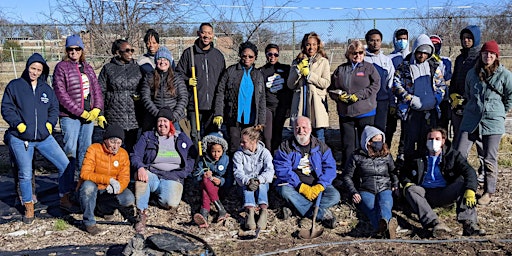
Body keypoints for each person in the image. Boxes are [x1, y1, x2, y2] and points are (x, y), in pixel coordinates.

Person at [1, 53, 76, 224]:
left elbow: (54, 108)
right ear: (27, 67)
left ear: (43, 71)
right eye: (32, 68)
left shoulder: (46, 89)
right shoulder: (15, 86)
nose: (34, 72)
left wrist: (49, 124)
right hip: (21, 138)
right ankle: (29, 205)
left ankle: (64, 197)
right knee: (25, 173)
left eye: (38, 70)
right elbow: (6, 108)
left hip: (44, 137)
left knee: (65, 164)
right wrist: (18, 124)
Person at [400, 128, 485, 237]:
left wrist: (471, 189)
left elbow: (469, 171)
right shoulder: (417, 156)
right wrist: (406, 182)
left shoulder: (453, 155)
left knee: (463, 185)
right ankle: (434, 223)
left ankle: (469, 224)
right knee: (411, 189)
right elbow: (403, 172)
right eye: (430, 139)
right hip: (425, 194)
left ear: (443, 140)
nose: (433, 142)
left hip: (445, 191)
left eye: (437, 139)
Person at [457, 41, 512, 206]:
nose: (488, 56)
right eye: (485, 53)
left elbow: (509, 96)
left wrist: (500, 113)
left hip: (493, 120)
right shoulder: (472, 74)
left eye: (491, 54)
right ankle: (460, 186)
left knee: (489, 158)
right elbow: (468, 93)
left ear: (496, 56)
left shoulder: (504, 75)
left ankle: (489, 191)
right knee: (459, 153)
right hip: (471, 117)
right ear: (481, 55)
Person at [131, 108, 197, 233]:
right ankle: (141, 213)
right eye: (159, 121)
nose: (162, 124)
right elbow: (135, 154)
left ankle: (154, 194)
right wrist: (140, 167)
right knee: (140, 179)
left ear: (171, 123)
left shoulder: (181, 137)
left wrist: (184, 172)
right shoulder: (148, 136)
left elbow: (192, 156)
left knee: (170, 203)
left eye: (165, 121)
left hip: (173, 175)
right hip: (152, 173)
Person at [274, 116, 340, 229]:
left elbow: (330, 168)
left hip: (316, 183)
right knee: (285, 191)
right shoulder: (285, 147)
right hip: (294, 185)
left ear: (310, 129)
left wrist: (320, 185)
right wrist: (300, 186)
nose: (301, 131)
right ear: (293, 129)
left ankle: (296, 208)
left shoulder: (321, 146)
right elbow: (282, 170)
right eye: (297, 128)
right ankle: (322, 215)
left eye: (304, 127)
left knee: (335, 196)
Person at [53, 34, 104, 177]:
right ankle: (68, 185)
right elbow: (61, 94)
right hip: (70, 117)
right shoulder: (61, 68)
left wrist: (97, 109)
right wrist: (79, 112)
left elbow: (97, 90)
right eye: (70, 49)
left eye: (77, 49)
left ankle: (83, 181)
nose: (74, 52)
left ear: (82, 50)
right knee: (70, 149)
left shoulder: (88, 68)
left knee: (85, 150)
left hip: (88, 116)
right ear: (66, 50)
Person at [392, 34, 446, 161]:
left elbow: (441, 85)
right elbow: (396, 84)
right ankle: (408, 168)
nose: (422, 56)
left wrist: (436, 99)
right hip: (411, 111)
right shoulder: (404, 67)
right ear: (415, 50)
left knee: (427, 141)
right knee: (408, 141)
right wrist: (409, 98)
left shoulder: (434, 66)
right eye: (419, 52)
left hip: (430, 111)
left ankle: (425, 167)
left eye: (426, 53)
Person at [329, 40, 380, 168]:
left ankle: (367, 170)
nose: (357, 55)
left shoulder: (369, 68)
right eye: (354, 53)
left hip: (366, 112)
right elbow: (331, 89)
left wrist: (358, 96)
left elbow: (376, 85)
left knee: (367, 143)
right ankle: (348, 171)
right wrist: (339, 96)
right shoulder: (340, 69)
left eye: (360, 52)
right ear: (348, 54)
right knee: (348, 145)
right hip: (346, 113)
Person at [79, 124, 135, 235]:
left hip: (109, 189)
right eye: (112, 142)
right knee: (88, 187)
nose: (115, 146)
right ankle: (89, 222)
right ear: (105, 140)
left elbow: (125, 177)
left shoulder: (123, 154)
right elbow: (84, 173)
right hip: (95, 186)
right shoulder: (94, 149)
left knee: (128, 198)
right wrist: (108, 180)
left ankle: (103, 208)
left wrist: (118, 187)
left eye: (118, 143)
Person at [342, 126, 398, 238]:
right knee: (370, 208)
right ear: (368, 142)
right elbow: (347, 176)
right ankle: (384, 228)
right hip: (365, 189)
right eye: (376, 140)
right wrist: (354, 192)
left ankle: (383, 226)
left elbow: (393, 171)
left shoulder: (386, 155)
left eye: (380, 140)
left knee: (385, 204)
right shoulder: (356, 156)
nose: (379, 143)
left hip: (384, 187)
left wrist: (395, 184)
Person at [176, 23, 226, 144]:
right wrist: (188, 80)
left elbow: (223, 80)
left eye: (209, 33)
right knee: (194, 135)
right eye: (204, 32)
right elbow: (178, 74)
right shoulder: (189, 54)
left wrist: (219, 108)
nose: (206, 36)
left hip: (213, 105)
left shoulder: (217, 56)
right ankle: (195, 160)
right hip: (195, 104)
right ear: (198, 34)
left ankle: (208, 161)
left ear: (213, 35)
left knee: (212, 137)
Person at [213, 41, 266, 154]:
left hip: (251, 118)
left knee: (249, 145)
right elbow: (220, 92)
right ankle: (233, 170)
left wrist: (261, 121)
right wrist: (219, 113)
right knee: (234, 145)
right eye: (244, 56)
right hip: (233, 116)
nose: (247, 58)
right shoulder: (231, 71)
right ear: (240, 56)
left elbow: (261, 99)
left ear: (255, 58)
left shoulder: (258, 75)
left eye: (250, 56)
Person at [98, 39, 142, 152]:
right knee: (115, 147)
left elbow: (143, 88)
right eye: (127, 50)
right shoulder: (108, 69)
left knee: (133, 147)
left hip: (134, 116)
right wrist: (100, 113)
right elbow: (100, 92)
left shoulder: (137, 68)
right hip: (114, 115)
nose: (130, 53)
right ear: (118, 52)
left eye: (132, 50)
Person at [287, 32, 331, 142]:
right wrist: (298, 71)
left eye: (314, 44)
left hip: (316, 104)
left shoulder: (323, 62)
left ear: (318, 45)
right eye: (308, 44)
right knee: (299, 136)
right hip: (301, 104)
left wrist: (310, 75)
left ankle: (320, 159)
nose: (311, 47)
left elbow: (326, 83)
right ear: (304, 46)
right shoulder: (296, 61)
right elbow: (290, 85)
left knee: (319, 136)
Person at [233, 126, 274, 230]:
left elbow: (270, 171)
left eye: (244, 142)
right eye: (241, 141)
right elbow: (237, 172)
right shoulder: (238, 154)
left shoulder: (265, 153)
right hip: (244, 186)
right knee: (248, 187)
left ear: (253, 141)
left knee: (263, 185)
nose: (241, 144)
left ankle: (263, 210)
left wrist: (259, 180)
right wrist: (247, 180)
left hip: (261, 184)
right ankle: (249, 211)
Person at [141, 46, 188, 132]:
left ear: (169, 62)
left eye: (165, 59)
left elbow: (183, 98)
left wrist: (173, 116)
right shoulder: (149, 77)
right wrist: (159, 115)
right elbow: (145, 98)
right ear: (156, 61)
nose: (162, 62)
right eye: (159, 59)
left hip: (175, 119)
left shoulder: (177, 78)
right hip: (154, 117)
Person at [451, 25, 481, 146]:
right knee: (458, 137)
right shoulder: (459, 59)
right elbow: (454, 79)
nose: (466, 40)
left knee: (478, 138)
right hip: (457, 104)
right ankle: (458, 163)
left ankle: (485, 164)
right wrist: (452, 94)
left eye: (469, 38)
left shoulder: (480, 58)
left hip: (473, 103)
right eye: (464, 38)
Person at [192, 132, 230, 228]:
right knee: (205, 179)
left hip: (217, 186)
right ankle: (220, 209)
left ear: (223, 150)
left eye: (219, 151)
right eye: (213, 151)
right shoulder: (203, 159)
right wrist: (203, 174)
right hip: (205, 183)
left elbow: (229, 178)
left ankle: (204, 213)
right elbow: (196, 174)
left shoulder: (226, 160)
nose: (216, 154)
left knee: (206, 191)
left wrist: (220, 181)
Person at [259, 43, 292, 151]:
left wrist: (288, 107)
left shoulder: (286, 69)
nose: (272, 56)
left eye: (275, 54)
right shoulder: (261, 71)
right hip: (267, 107)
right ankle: (268, 156)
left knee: (277, 132)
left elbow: (290, 87)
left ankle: (276, 156)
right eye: (270, 54)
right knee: (267, 135)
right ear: (266, 55)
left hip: (280, 107)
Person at [364, 29, 395, 133]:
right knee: (367, 130)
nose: (375, 43)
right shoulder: (363, 59)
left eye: (378, 40)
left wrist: (392, 103)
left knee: (380, 130)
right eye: (372, 40)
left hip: (382, 101)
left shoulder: (387, 60)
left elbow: (391, 82)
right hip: (366, 101)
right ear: (367, 42)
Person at [386, 28, 410, 147]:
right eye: (399, 39)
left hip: (407, 99)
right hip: (392, 100)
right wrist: (391, 101)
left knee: (406, 131)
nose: (402, 41)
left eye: (404, 39)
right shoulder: (389, 58)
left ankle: (402, 155)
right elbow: (389, 80)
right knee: (389, 129)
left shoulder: (412, 57)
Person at [429, 35, 453, 131]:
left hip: (443, 98)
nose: (435, 47)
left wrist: (438, 63)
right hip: (429, 99)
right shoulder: (424, 60)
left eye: (437, 45)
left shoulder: (446, 61)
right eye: (432, 45)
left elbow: (447, 77)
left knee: (443, 127)